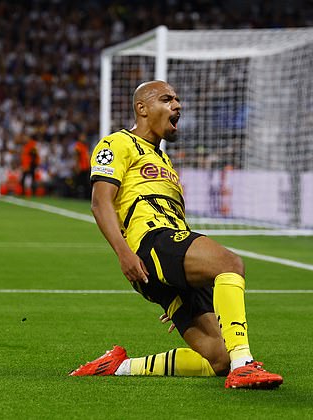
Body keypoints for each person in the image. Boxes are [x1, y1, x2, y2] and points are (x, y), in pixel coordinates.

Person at [69, 80, 283, 389]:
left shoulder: (165, 162)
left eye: (178, 100)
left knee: (217, 358)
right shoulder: (117, 143)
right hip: (150, 243)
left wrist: (178, 277)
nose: (177, 105)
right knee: (230, 263)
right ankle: (245, 365)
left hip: (166, 254)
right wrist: (124, 253)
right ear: (142, 108)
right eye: (167, 99)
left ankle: (120, 366)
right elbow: (100, 202)